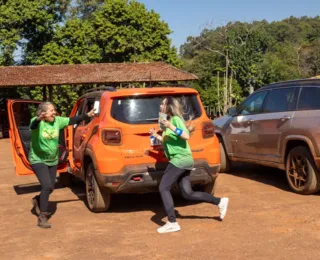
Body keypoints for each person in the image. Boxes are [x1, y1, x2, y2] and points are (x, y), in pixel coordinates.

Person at [150, 97, 229, 234]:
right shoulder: (169, 120)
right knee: (187, 193)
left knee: (163, 187)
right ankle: (220, 201)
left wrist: (170, 126)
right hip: (184, 160)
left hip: (179, 160)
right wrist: (155, 136)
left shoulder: (175, 120)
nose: (160, 106)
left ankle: (172, 222)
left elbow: (186, 136)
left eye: (162, 104)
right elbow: (168, 141)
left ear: (169, 106)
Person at [30, 102, 96, 228]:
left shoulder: (57, 121)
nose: (54, 113)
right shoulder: (37, 122)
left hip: (52, 160)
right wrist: (38, 119)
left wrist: (87, 115)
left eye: (54, 110)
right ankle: (42, 217)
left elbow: (72, 120)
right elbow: (33, 126)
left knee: (50, 188)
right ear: (43, 113)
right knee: (46, 186)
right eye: (51, 111)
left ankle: (38, 200)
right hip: (38, 159)